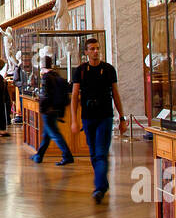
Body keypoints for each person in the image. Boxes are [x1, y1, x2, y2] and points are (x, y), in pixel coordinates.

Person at [72, 37, 126, 204]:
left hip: (105, 116)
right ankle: (102, 184)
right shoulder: (80, 70)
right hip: (88, 117)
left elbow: (115, 94)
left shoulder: (109, 69)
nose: (96, 51)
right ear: (86, 52)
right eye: (92, 49)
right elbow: (75, 96)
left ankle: (99, 188)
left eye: (98, 48)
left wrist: (122, 117)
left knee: (101, 152)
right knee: (94, 153)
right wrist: (74, 120)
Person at [33, 56, 73, 165]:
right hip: (56, 109)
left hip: (48, 110)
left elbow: (46, 95)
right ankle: (39, 156)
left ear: (42, 66)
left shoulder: (46, 77)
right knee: (47, 135)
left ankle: (67, 155)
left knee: (54, 134)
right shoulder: (57, 75)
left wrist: (42, 106)